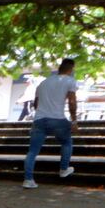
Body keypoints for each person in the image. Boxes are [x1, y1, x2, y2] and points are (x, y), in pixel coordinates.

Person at [22, 58, 78, 188]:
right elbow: (72, 102)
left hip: (39, 120)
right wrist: (74, 120)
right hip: (58, 119)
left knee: (32, 151)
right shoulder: (70, 81)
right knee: (66, 142)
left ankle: (28, 180)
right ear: (71, 69)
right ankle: (64, 169)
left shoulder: (43, 83)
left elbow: (36, 104)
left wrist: (43, 112)